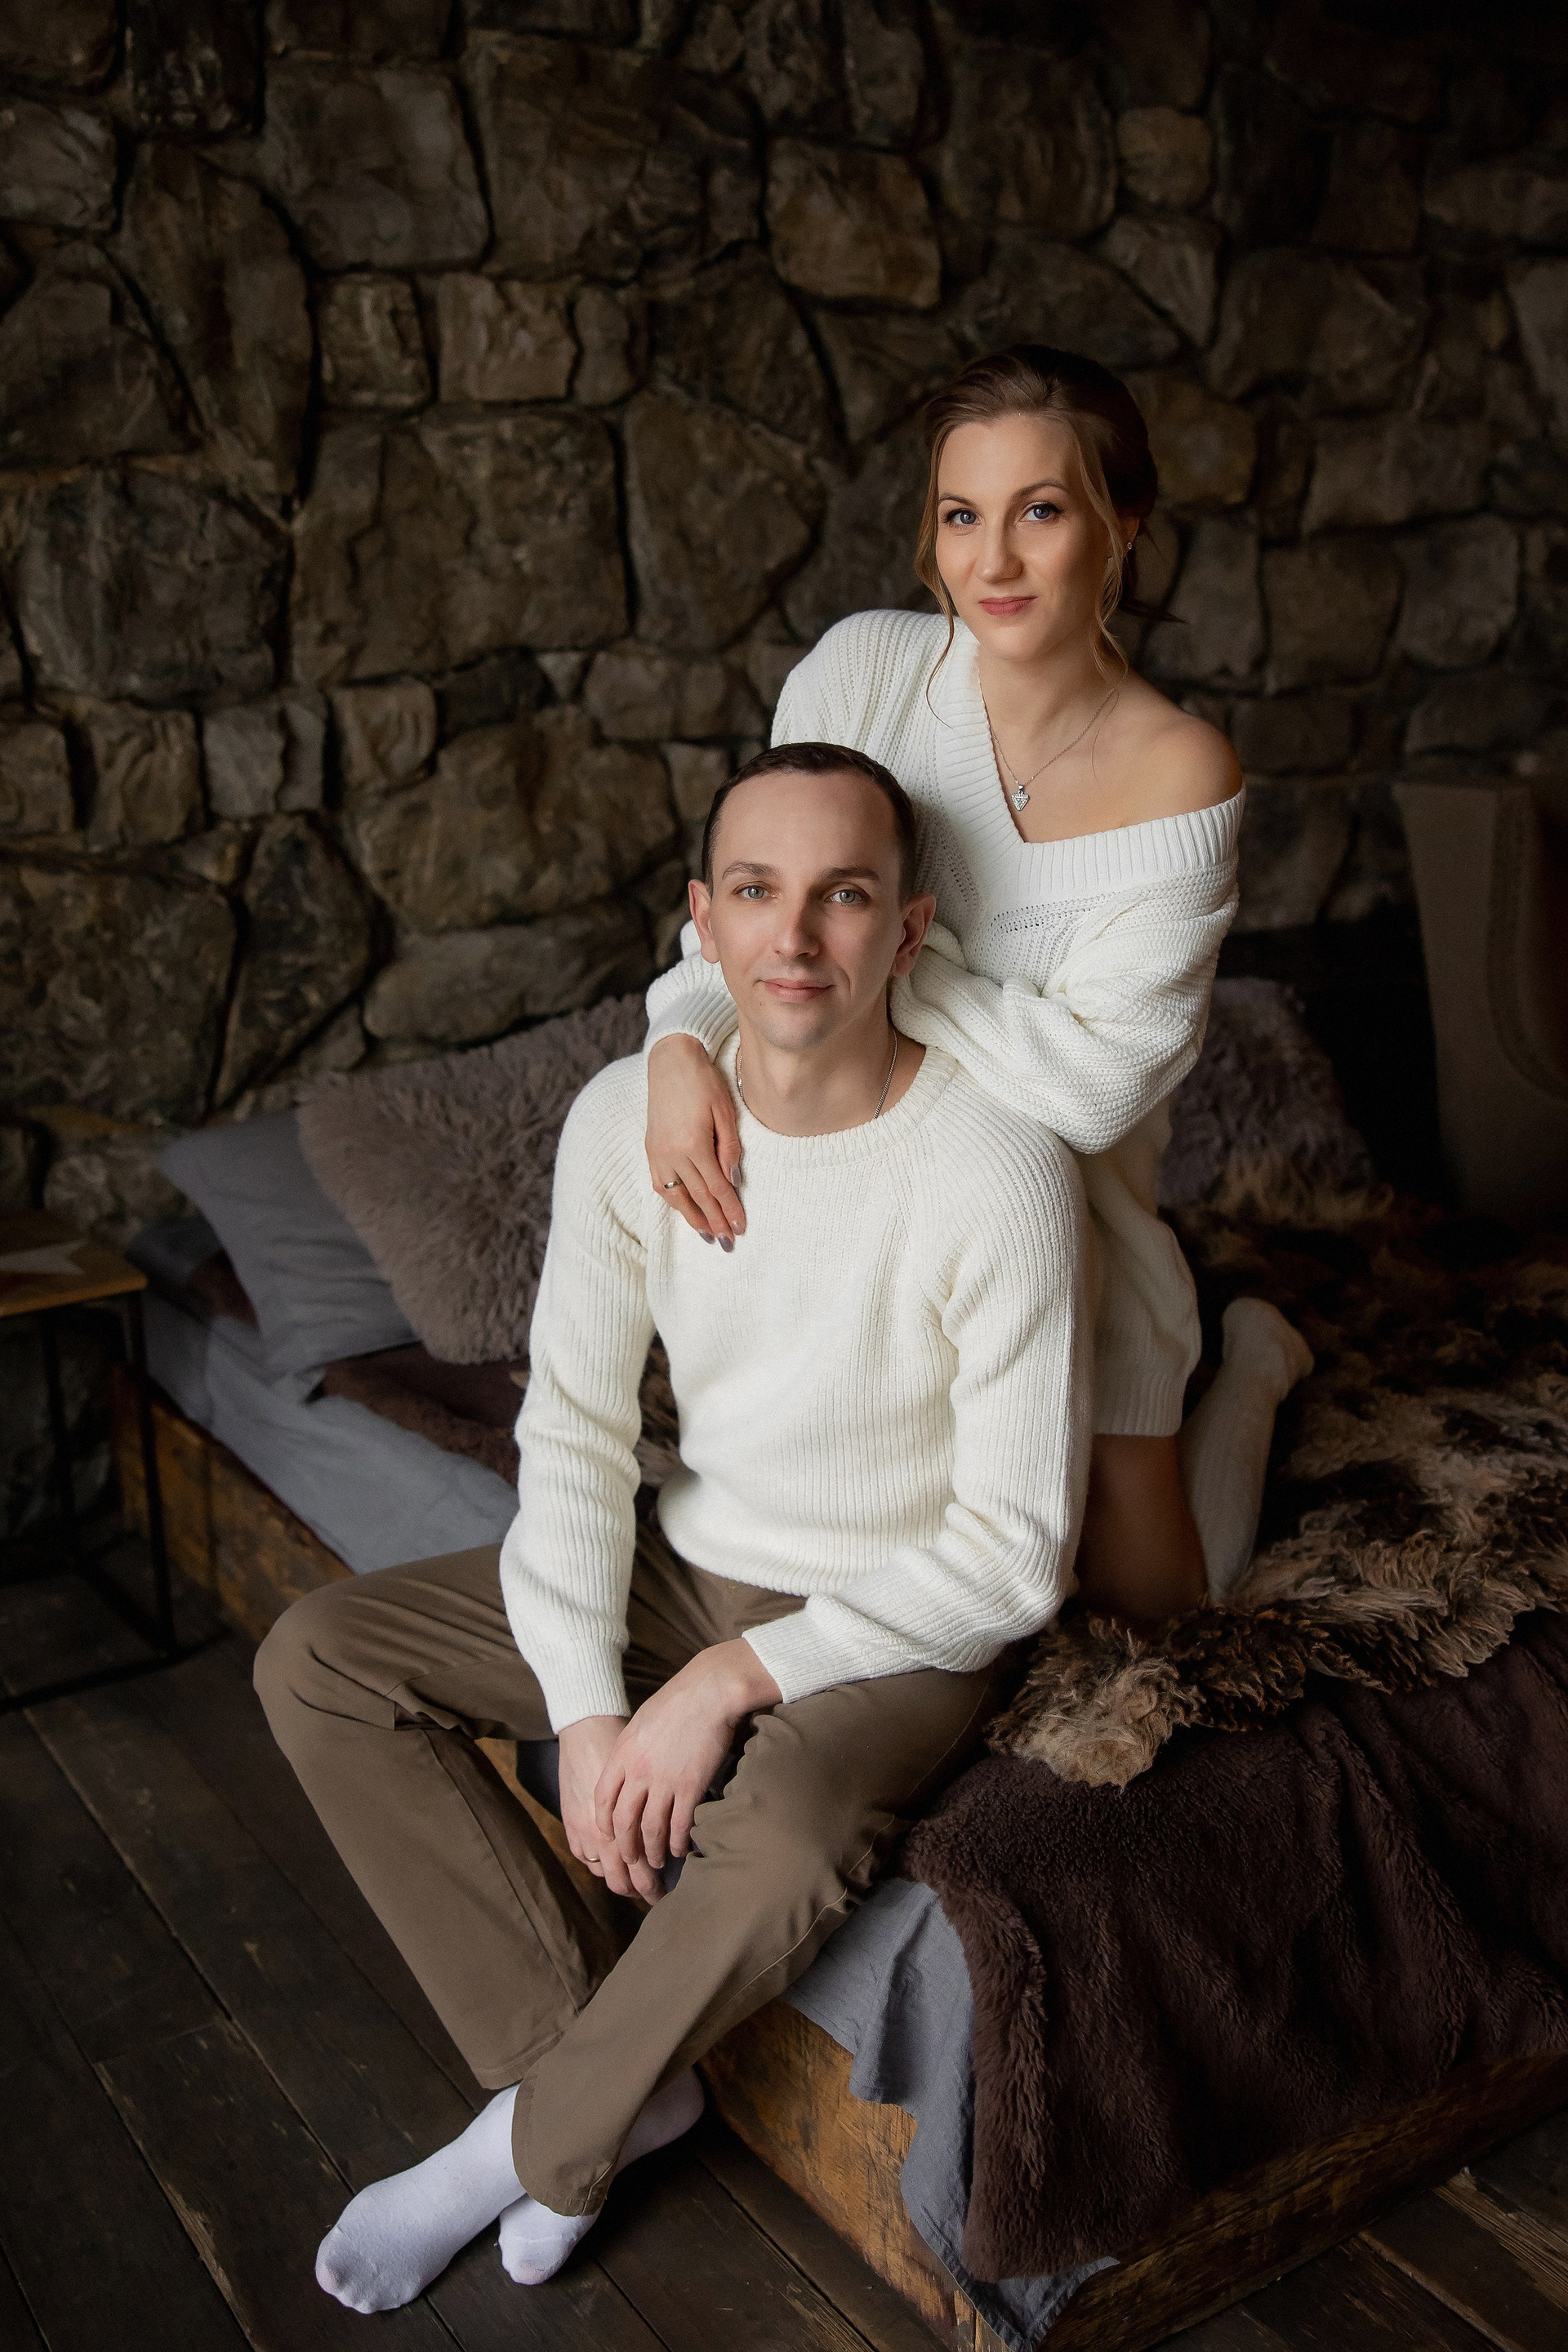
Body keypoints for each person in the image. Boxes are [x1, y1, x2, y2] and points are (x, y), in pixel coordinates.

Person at [255, 742, 1092, 2314]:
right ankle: (599, 2077)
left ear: (909, 931)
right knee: (320, 1659)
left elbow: (1013, 1552)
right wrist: (585, 1705)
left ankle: (523, 2146)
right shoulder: (622, 1126)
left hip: (895, 1615)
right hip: (686, 1560)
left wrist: (722, 1686)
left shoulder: (997, 1166)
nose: (797, 938)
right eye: (759, 892)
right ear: (701, 922)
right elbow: (573, 1429)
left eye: (845, 896)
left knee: (782, 1840)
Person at [644, 344, 1312, 1625]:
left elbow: (1096, 1091)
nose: (992, 562)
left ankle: (1257, 1368)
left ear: (1124, 524)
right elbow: (750, 923)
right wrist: (678, 1040)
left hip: (1084, 1238)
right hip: (871, 1236)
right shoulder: (862, 675)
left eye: (1040, 512)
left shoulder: (1180, 769)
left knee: (1161, 1613)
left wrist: (890, 951)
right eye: (962, 516)